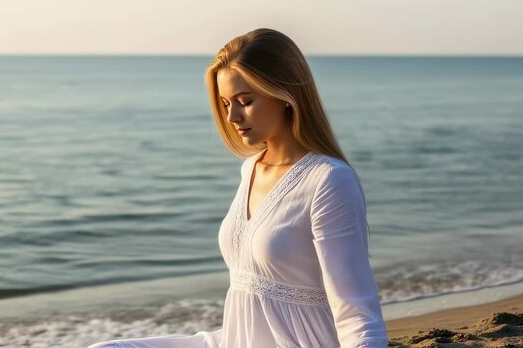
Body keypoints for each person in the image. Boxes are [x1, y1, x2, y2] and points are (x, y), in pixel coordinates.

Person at [87, 28, 389, 348]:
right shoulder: (250, 169)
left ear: (285, 95)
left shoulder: (328, 180)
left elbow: (357, 315)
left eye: (245, 101)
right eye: (226, 102)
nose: (232, 116)